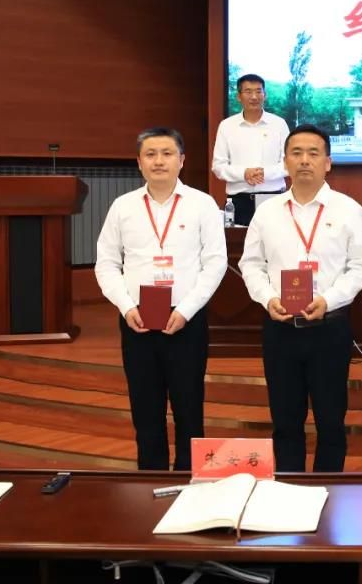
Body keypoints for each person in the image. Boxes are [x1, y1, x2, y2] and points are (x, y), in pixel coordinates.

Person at [238, 124, 362, 473]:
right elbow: (250, 264)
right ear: (284, 161)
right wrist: (268, 298)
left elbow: (361, 267)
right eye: (296, 153)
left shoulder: (348, 209)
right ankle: (289, 492)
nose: (304, 160)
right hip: (280, 329)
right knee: (285, 423)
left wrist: (330, 299)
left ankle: (328, 492)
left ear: (328, 162)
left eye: (313, 153)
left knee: (331, 422)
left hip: (329, 329)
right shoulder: (267, 211)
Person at [95, 127, 227, 470]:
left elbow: (216, 263)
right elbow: (106, 263)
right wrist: (126, 306)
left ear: (181, 160)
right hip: (137, 319)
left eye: (167, 153)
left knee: (189, 409)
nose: (158, 161)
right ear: (139, 162)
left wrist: (186, 310)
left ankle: (190, 480)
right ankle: (149, 480)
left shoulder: (202, 204)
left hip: (186, 319)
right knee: (145, 411)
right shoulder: (123, 207)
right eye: (150, 154)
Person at [212, 74, 291, 226]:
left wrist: (264, 173)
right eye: (248, 91)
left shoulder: (279, 124)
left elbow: (289, 163)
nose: (254, 96)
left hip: (273, 198)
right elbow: (218, 166)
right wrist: (244, 173)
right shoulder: (227, 126)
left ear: (265, 95)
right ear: (239, 96)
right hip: (239, 201)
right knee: (239, 240)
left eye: (258, 91)